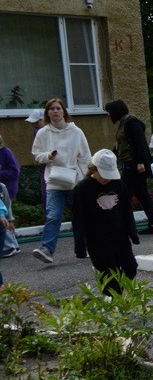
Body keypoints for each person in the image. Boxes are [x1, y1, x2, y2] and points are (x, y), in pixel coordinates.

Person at [31, 98, 91, 264]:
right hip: (54, 180)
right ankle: (47, 249)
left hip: (75, 180)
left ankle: (82, 249)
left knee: (80, 216)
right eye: (51, 109)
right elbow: (36, 155)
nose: (55, 112)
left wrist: (86, 177)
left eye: (58, 108)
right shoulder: (43, 133)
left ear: (64, 111)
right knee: (53, 215)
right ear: (47, 113)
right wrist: (48, 156)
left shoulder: (76, 131)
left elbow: (85, 156)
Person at [72, 150, 139, 295]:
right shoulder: (82, 189)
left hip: (120, 237)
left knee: (130, 268)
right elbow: (78, 219)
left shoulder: (118, 185)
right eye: (103, 175)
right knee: (109, 274)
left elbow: (126, 210)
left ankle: (129, 301)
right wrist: (80, 246)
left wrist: (133, 233)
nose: (107, 179)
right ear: (93, 170)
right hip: (98, 240)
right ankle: (114, 305)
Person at [104, 98, 153, 235]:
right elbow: (120, 146)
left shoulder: (131, 123)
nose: (108, 115)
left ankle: (127, 226)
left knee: (124, 195)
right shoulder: (123, 124)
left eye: (110, 112)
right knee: (142, 195)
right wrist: (108, 156)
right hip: (130, 164)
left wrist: (141, 162)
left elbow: (140, 144)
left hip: (134, 166)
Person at [0, 134, 20, 257]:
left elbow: (15, 170)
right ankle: (13, 244)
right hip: (3, 187)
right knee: (5, 213)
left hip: (6, 188)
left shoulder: (6, 152)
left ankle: (9, 245)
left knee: (4, 213)